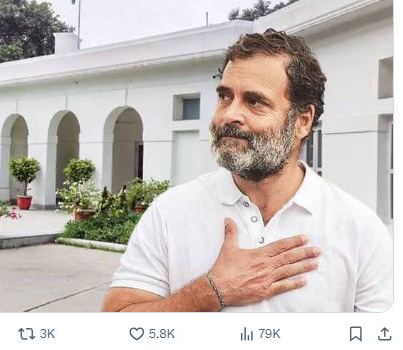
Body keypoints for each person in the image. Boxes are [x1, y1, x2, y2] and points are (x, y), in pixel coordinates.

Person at [102, 29, 393, 312]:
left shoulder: (359, 231)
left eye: (254, 101)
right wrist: (211, 291)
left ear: (302, 122)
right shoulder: (170, 213)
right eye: (225, 97)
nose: (229, 115)